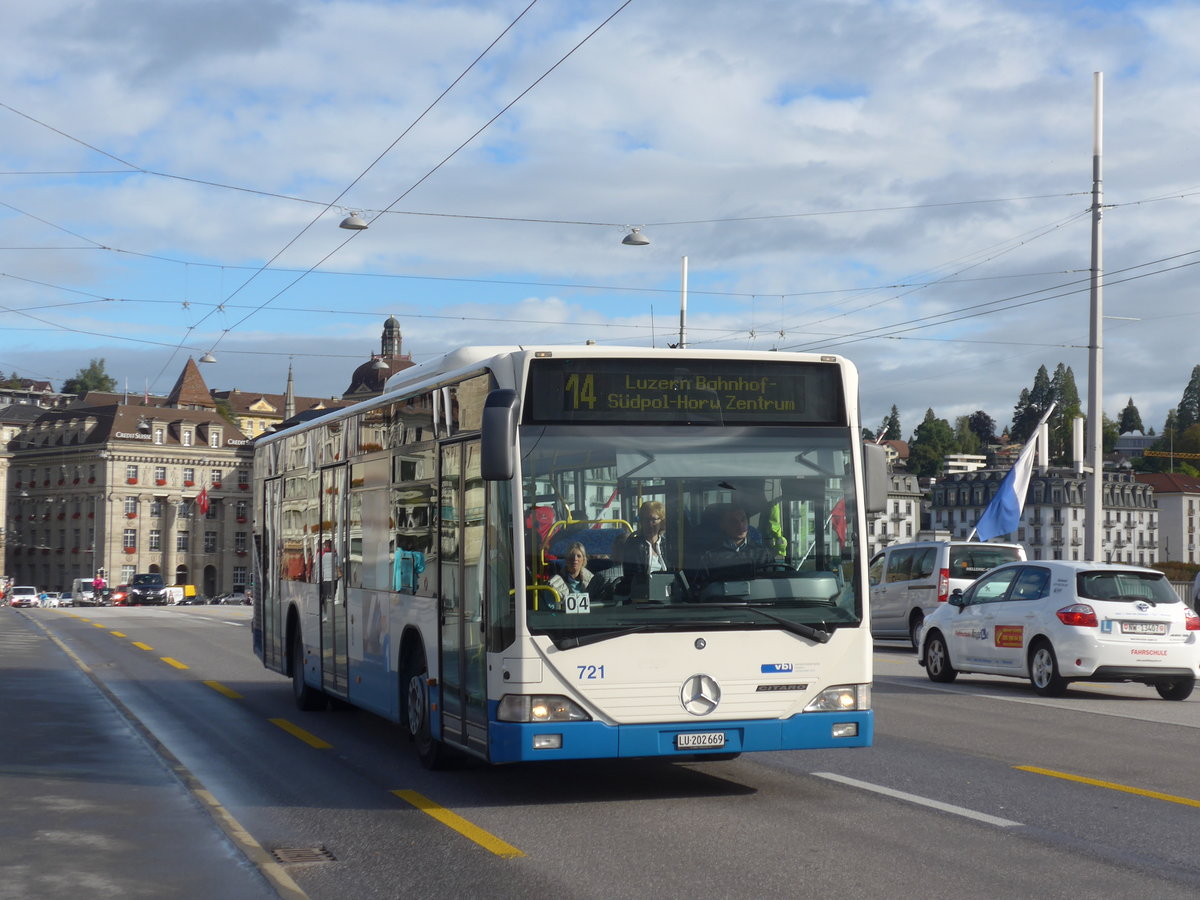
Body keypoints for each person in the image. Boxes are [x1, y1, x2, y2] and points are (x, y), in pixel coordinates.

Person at [699, 504, 775, 582]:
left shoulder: (763, 554)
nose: (740, 525)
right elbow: (703, 588)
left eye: (743, 520)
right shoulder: (709, 555)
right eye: (733, 521)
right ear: (723, 525)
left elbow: (772, 583)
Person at [621, 500, 672, 600]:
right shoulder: (633, 544)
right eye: (646, 520)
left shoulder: (667, 545)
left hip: (668, 595)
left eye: (653, 520)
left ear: (661, 522)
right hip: (642, 596)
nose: (649, 524)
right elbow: (631, 576)